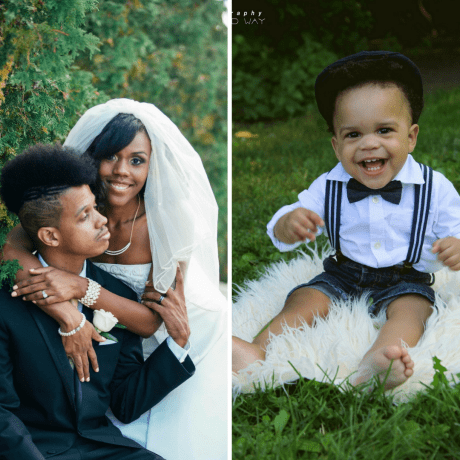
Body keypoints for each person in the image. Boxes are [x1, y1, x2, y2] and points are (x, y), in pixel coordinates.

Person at [3, 99, 228, 459]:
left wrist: (80, 289)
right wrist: (70, 316)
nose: (122, 170)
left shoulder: (166, 217)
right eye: (112, 157)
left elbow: (149, 320)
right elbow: (12, 251)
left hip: (160, 322)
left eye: (137, 160)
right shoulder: (70, 197)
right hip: (98, 339)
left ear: (152, 166)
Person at [232, 51, 460, 390]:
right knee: (305, 299)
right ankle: (255, 350)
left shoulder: (435, 187)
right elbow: (283, 220)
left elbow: (456, 229)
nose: (369, 144)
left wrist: (455, 245)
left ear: (411, 137)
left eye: (384, 130)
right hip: (343, 272)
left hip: (406, 277)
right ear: (337, 146)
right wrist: (290, 222)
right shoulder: (330, 185)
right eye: (353, 135)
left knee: (413, 311)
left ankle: (380, 360)